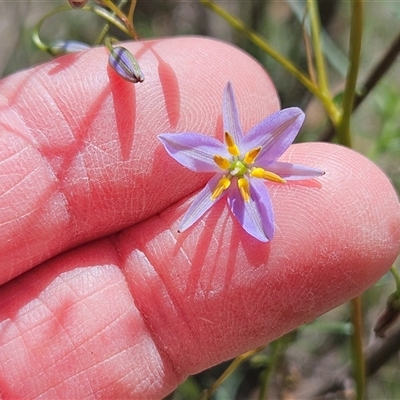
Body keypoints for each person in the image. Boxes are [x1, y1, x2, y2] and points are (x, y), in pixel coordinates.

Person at [0, 37, 399, 399]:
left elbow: (286, 123)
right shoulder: (219, 165)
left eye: (242, 164)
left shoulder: (243, 169)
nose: (241, 166)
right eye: (238, 164)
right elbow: (183, 145)